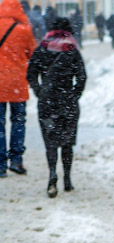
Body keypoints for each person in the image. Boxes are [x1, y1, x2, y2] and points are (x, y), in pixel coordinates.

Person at [27, 17, 86, 198]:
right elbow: (82, 76)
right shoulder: (72, 49)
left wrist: (39, 91)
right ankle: (67, 179)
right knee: (67, 142)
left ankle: (52, 174)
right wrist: (74, 94)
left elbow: (30, 73)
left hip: (48, 101)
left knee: (51, 142)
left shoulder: (42, 48)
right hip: (67, 101)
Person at [0, 0, 37, 177]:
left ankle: (0, 165)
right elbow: (32, 53)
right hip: (17, 83)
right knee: (18, 121)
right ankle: (16, 160)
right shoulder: (24, 30)